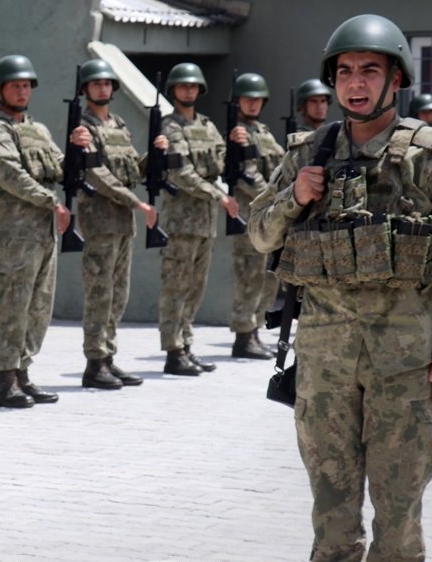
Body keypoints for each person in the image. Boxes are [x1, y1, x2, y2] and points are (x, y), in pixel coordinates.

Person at [249, 14, 432, 561]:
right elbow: (260, 235)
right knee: (331, 521)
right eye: (345, 72)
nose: (355, 83)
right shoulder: (307, 152)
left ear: (395, 79)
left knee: (398, 520)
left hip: (403, 363)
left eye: (369, 71)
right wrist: (294, 197)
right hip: (323, 364)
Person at [0, 54, 75, 408]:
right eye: (14, 85)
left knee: (38, 309)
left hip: (43, 234)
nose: (21, 91)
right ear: (0, 90)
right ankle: (4, 380)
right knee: (13, 308)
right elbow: (8, 173)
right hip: (13, 236)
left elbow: (61, 167)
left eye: (25, 85)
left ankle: (22, 373)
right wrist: (51, 201)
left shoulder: (38, 130)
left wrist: (79, 149)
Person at [74, 59, 157, 389]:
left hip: (122, 223)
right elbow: (98, 174)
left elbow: (133, 170)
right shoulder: (84, 128)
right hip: (100, 221)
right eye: (96, 83)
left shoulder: (119, 125)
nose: (102, 88)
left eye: (107, 83)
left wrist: (155, 155)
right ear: (86, 89)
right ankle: (94, 363)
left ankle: (108, 357)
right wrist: (136, 202)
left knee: (118, 294)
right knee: (100, 293)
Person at [157, 63, 242, 376]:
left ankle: (185, 345)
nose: (189, 90)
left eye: (193, 86)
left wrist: (235, 143)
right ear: (173, 90)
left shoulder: (206, 125)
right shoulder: (170, 127)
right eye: (183, 86)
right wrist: (218, 195)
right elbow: (181, 172)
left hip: (205, 221)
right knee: (176, 287)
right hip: (181, 221)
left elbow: (220, 162)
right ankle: (173, 350)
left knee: (195, 287)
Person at [225, 72, 282, 360]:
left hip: (269, 216)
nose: (253, 104)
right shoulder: (237, 134)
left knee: (266, 277)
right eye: (247, 99)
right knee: (248, 276)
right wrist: (276, 197)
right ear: (237, 101)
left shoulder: (263, 132)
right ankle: (243, 335)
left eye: (257, 99)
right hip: (250, 216)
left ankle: (255, 330)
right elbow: (246, 175)